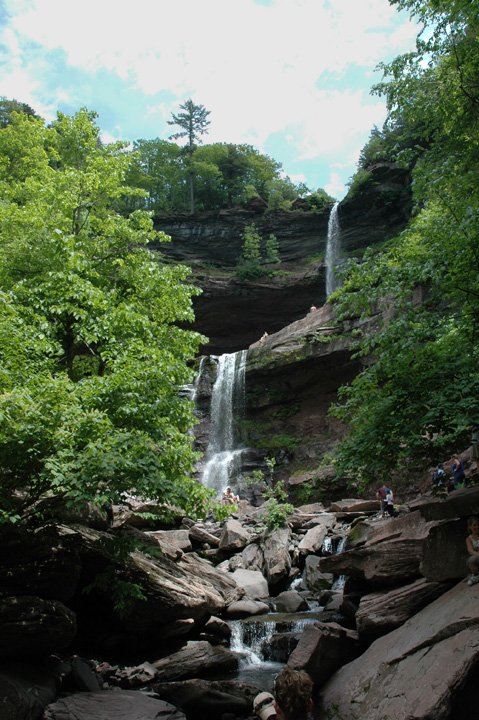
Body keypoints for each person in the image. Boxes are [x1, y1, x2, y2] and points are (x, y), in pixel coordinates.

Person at [466, 516, 479, 586]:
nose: (477, 527)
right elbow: (470, 551)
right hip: (477, 557)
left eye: (478, 525)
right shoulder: (469, 539)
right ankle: (475, 575)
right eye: (474, 525)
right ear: (470, 527)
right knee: (471, 560)